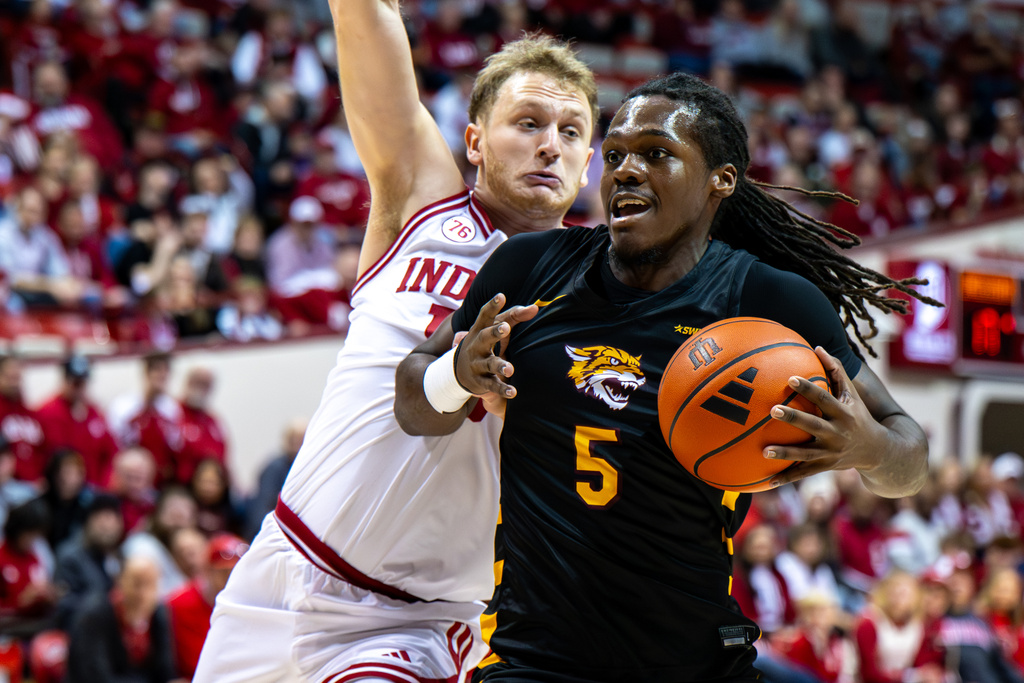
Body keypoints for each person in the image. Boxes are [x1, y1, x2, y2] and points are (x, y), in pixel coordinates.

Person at [396, 72, 931, 681]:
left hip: (695, 663)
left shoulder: (768, 301)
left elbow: (909, 459)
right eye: (616, 154)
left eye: (656, 154)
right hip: (532, 660)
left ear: (720, 181)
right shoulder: (530, 265)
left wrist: (867, 446)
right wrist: (457, 376)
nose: (624, 169)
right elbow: (414, 406)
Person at [193, 8, 597, 681]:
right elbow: (366, 18)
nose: (550, 144)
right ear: (474, 140)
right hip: (280, 565)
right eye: (528, 123)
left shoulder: (601, 299)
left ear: (589, 164)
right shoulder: (423, 205)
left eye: (571, 131)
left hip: (408, 623)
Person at [65, 556, 184, 683]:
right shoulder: (95, 615)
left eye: (150, 584)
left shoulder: (158, 613)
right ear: (120, 582)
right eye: (137, 584)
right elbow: (96, 677)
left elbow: (165, 670)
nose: (142, 594)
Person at [167, 533, 247, 680]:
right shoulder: (178, 605)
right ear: (207, 570)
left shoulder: (248, 605)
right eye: (224, 572)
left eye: (237, 571)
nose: (232, 578)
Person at [36, 354, 120, 487]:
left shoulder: (95, 413)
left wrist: (105, 483)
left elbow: (111, 452)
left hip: (95, 487)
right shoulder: (47, 412)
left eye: (82, 382)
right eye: (75, 383)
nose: (79, 388)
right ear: (64, 380)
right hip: (61, 489)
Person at [53, 493, 124, 629]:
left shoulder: (119, 555)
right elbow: (64, 604)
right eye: (100, 519)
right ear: (88, 522)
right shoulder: (70, 556)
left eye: (111, 520)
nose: (106, 526)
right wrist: (108, 604)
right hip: (80, 631)